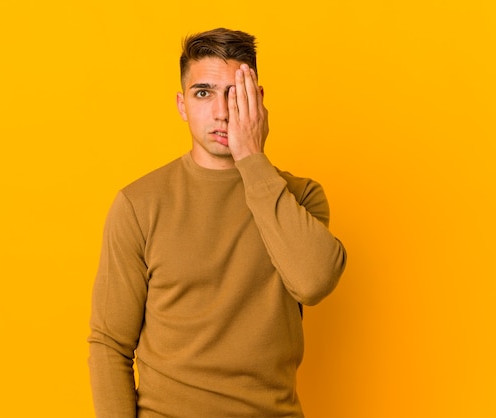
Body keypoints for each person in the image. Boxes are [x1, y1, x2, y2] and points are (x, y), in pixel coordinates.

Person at [88, 27, 347, 418]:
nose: (222, 112)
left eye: (235, 93)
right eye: (204, 93)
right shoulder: (138, 205)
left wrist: (252, 160)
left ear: (257, 102)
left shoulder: (299, 196)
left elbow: (313, 282)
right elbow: (109, 343)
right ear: (182, 105)